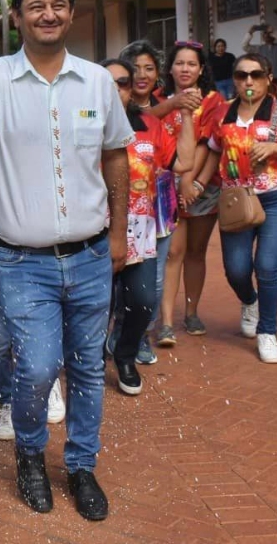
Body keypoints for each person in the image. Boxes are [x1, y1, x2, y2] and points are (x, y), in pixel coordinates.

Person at [0, 0, 134, 522]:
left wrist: (120, 233)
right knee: (35, 367)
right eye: (35, 7)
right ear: (16, 17)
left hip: (92, 253)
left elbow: (116, 155)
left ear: (71, 14)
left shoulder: (98, 82)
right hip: (20, 261)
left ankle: (80, 464)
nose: (47, 14)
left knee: (84, 366)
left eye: (57, 5)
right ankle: (30, 453)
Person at [204, 53, 277, 363]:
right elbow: (213, 152)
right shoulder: (224, 114)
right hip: (237, 200)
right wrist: (198, 184)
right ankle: (249, 300)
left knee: (266, 266)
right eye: (241, 75)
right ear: (234, 79)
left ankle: (268, 331)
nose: (248, 81)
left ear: (268, 77)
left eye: (255, 75)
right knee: (236, 270)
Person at [100, 58, 195, 394]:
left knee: (142, 301)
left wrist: (185, 115)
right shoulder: (82, 125)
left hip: (140, 232)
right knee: (98, 305)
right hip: (94, 233)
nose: (116, 90)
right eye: (109, 82)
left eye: (123, 83)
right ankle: (94, 359)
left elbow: (184, 163)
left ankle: (125, 355)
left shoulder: (148, 125)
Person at [154, 42, 226, 346]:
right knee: (172, 252)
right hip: (165, 189)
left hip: (202, 188)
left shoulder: (213, 101)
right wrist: (179, 183)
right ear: (170, 68)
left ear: (201, 69)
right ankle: (166, 322)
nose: (185, 69)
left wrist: (191, 183)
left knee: (196, 252)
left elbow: (207, 144)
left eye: (191, 64)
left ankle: (192, 312)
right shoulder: (158, 100)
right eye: (179, 63)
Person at [244, 26, 277, 90]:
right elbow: (245, 46)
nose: (267, 35)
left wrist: (272, 32)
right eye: (265, 34)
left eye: (269, 34)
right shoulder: (259, 48)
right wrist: (250, 32)